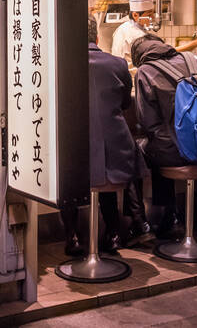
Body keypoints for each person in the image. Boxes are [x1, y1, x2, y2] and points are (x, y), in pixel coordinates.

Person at [131, 35, 197, 236]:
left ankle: (153, 221)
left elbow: (147, 122)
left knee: (140, 148)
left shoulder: (145, 72)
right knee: (168, 145)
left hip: (181, 149)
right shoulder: (194, 61)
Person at [61, 17, 149, 256]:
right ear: (97, 38)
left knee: (67, 174)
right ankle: (113, 234)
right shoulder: (118, 64)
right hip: (117, 154)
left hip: (75, 155)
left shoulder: (60, 64)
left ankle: (73, 237)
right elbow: (123, 103)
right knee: (104, 172)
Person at [111, 0, 197, 65]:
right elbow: (167, 53)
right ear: (136, 15)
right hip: (135, 81)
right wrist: (196, 43)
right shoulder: (137, 36)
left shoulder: (123, 28)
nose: (153, 17)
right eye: (149, 14)